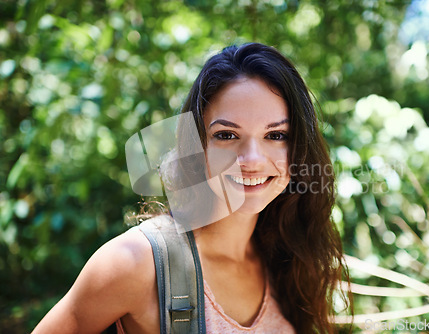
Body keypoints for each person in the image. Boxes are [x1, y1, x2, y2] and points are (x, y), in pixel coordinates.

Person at [33, 42, 350, 333]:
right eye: (226, 135)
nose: (252, 159)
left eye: (276, 135)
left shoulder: (288, 256)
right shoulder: (136, 262)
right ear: (197, 145)